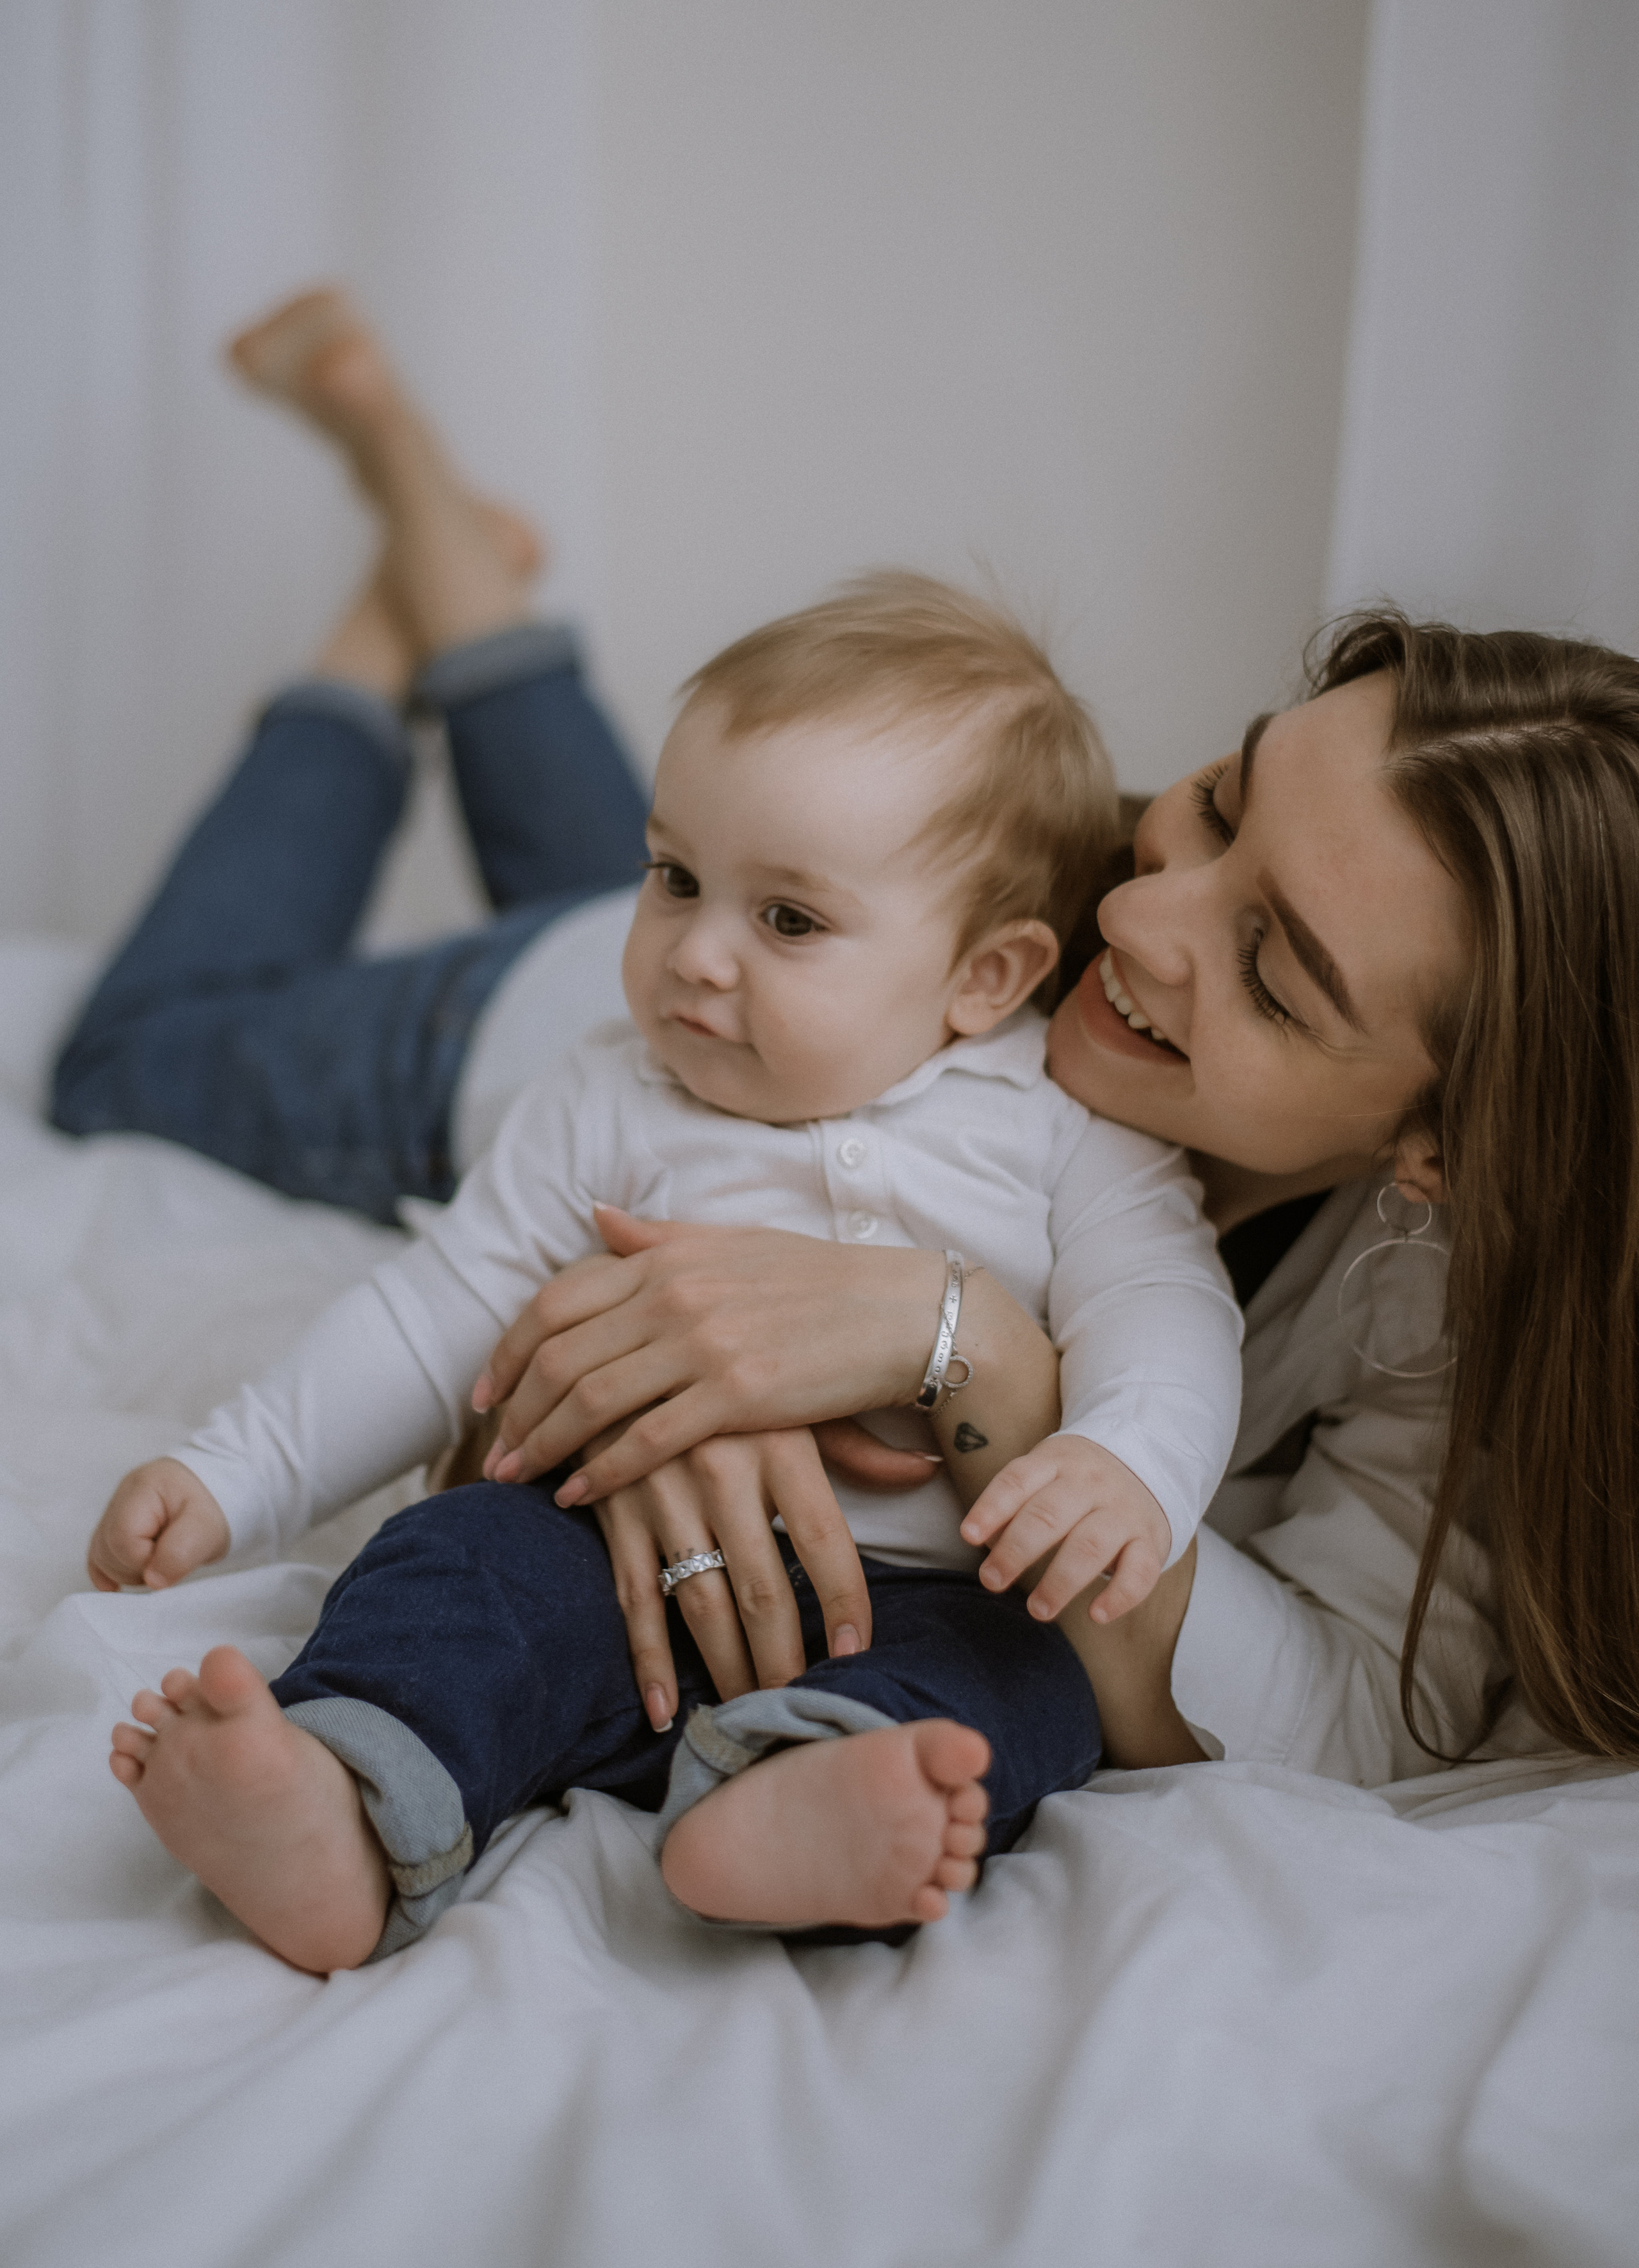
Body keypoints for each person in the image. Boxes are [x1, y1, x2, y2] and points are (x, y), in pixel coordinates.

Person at [59, 290, 1639, 1834]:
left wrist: (970, 1356)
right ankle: (380, 606)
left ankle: (459, 565)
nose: (1139, 913)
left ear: (1439, 1147)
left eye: (1271, 975)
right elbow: (469, 1329)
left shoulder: (1439, 1299)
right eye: (1221, 802)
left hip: (750, 916)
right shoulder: (744, 969)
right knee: (126, 1061)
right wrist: (651, 1390)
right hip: (550, 1024)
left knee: (665, 866)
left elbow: (1348, 1723)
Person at [92, 564, 1247, 1971]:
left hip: (927, 1593)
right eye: (673, 877)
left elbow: (1164, 1313)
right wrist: (230, 1474)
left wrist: (1129, 1459)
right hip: (600, 1554)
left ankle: (794, 1809)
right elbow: (431, 1309)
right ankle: (342, 1802)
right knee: (458, 1564)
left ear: (985, 980)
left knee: (1023, 1683)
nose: (693, 957)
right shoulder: (610, 1096)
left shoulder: (1062, 1138)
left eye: (787, 921)